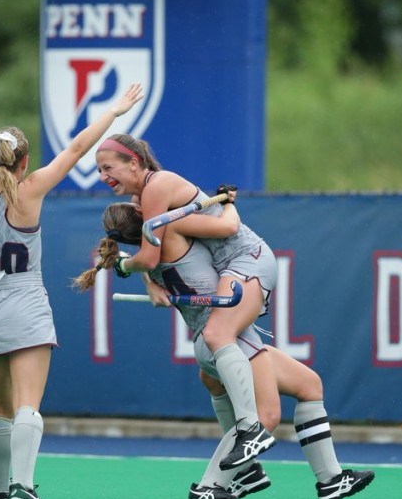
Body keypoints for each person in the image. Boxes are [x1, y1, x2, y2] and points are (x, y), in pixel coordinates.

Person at [0, 83, 144, 499]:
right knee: (29, 403)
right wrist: (116, 111)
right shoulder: (33, 188)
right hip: (24, 300)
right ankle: (24, 487)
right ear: (23, 161)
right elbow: (79, 145)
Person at [74, 198, 375, 499]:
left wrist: (128, 268)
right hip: (227, 336)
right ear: (144, 216)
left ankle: (329, 479)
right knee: (265, 418)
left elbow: (142, 258)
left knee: (309, 385)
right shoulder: (174, 231)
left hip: (217, 337)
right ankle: (209, 486)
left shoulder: (147, 255)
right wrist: (229, 201)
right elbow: (227, 225)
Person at [94, 136, 277, 471]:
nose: (103, 176)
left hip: (244, 259)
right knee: (212, 372)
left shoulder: (155, 189)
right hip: (229, 266)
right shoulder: (146, 197)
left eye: (108, 167)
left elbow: (151, 256)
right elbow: (152, 251)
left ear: (134, 162)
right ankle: (260, 469)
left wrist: (123, 266)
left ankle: (251, 429)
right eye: (99, 170)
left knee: (217, 336)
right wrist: (146, 280)